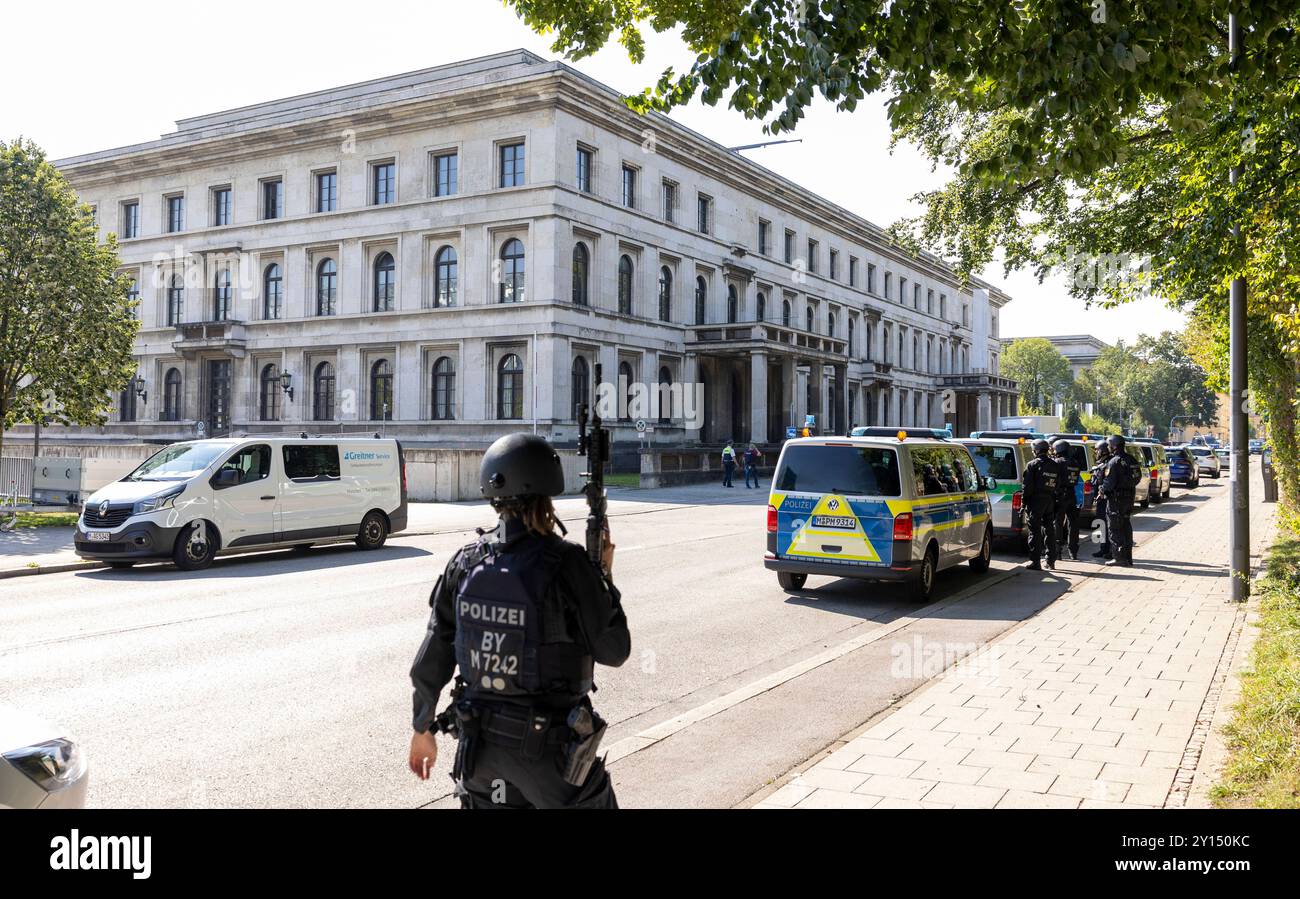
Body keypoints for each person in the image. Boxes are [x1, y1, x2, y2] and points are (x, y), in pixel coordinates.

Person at [407, 433, 631, 808]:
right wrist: (604, 579)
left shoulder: (465, 563)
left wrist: (421, 728)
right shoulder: (568, 563)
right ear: (547, 494)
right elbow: (614, 650)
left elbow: (432, 657)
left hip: (480, 753)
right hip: (550, 756)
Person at [1022, 438, 1063, 571]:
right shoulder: (1055, 465)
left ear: (1037, 450)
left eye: (1034, 449)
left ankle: (1035, 562)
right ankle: (1051, 560)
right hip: (1050, 500)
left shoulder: (1032, 465)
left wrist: (1024, 502)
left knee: (1034, 531)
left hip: (1036, 501)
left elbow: (1027, 487)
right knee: (1049, 530)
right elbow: (1059, 484)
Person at [1101, 434, 1138, 567]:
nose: (1109, 448)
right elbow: (1137, 478)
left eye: (1110, 446)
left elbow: (1109, 483)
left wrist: (1102, 489)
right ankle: (1128, 557)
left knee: (1115, 528)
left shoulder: (1114, 462)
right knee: (1126, 527)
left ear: (1114, 446)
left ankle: (1119, 558)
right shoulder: (1132, 459)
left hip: (1116, 500)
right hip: (1129, 498)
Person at [1052, 439, 1081, 561]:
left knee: (1057, 523)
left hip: (1059, 496)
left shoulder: (1057, 463)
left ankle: (1057, 552)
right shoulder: (1075, 462)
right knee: (1073, 524)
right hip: (1071, 495)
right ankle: (1073, 552)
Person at [1090, 442, 1113, 560]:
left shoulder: (1109, 463)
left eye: (1097, 450)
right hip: (1099, 499)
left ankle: (1109, 550)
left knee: (1107, 524)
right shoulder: (1101, 463)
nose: (1096, 452)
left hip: (1106, 499)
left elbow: (1108, 482)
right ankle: (1102, 548)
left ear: (1103, 450)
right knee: (1100, 523)